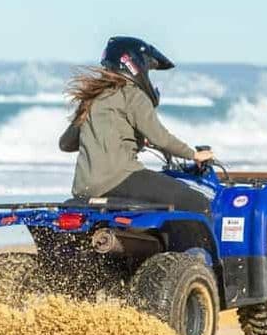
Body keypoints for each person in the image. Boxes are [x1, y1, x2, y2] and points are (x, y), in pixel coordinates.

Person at [58, 36, 213, 217]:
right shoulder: (133, 95)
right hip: (119, 178)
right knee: (197, 202)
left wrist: (114, 137)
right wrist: (194, 155)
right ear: (135, 64)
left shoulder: (91, 99)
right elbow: (161, 138)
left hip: (83, 187)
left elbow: (66, 144)